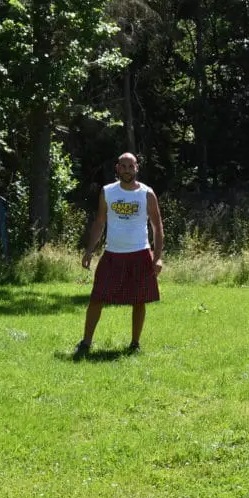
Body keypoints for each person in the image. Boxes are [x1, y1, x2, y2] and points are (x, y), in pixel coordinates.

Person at [74, 152, 164, 358]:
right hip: (112, 254)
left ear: (137, 168)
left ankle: (135, 344)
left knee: (139, 300)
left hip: (140, 253)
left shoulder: (147, 193)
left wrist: (157, 257)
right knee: (97, 297)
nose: (127, 170)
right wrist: (89, 250)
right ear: (117, 168)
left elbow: (157, 227)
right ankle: (86, 343)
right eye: (123, 166)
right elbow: (100, 222)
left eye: (131, 166)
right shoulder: (108, 192)